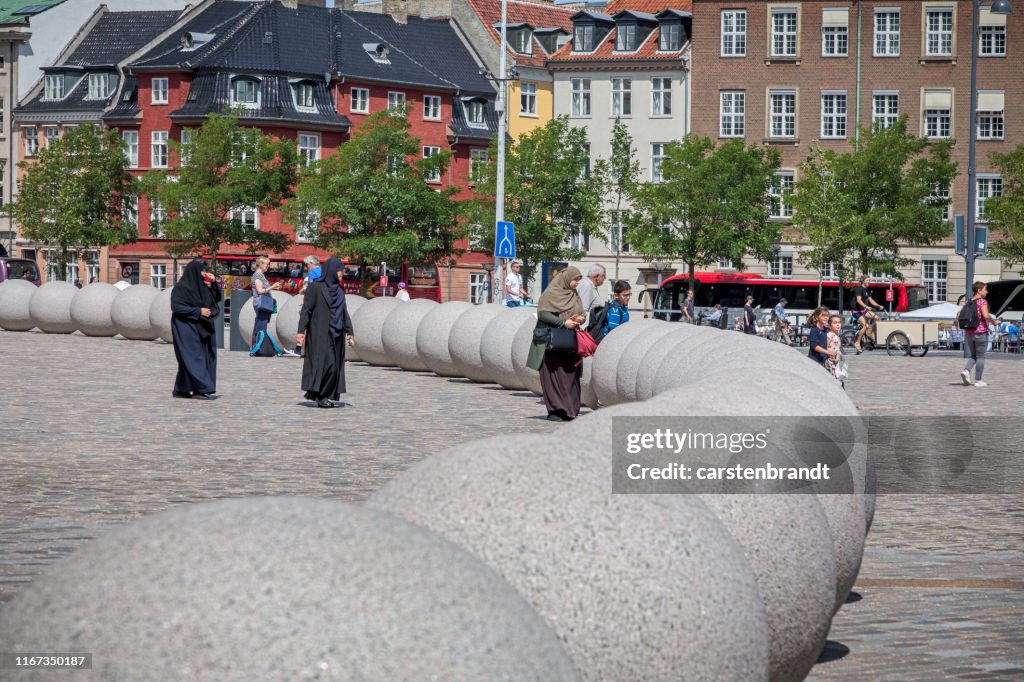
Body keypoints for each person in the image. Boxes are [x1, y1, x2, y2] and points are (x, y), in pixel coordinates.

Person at [527, 266, 586, 421]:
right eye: (575, 280)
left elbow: (581, 311)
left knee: (570, 376)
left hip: (570, 342)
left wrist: (580, 318)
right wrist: (562, 323)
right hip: (552, 342)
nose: (576, 283)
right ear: (566, 279)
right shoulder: (551, 293)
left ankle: (570, 410)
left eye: (578, 280)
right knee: (553, 376)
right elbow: (543, 313)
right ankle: (555, 410)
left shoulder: (574, 294)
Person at [296, 258, 355, 408]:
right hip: (320, 333)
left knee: (335, 367)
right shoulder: (315, 288)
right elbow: (306, 311)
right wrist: (300, 332)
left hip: (337, 332)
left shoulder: (340, 290)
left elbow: (343, 311)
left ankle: (323, 394)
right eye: (340, 270)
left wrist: (350, 331)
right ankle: (320, 395)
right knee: (327, 365)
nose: (342, 273)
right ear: (331, 270)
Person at [170, 259, 221, 399]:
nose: (204, 274)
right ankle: (201, 388)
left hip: (202, 326)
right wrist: (198, 312)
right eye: (202, 271)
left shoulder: (203, 287)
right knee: (193, 357)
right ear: (194, 272)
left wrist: (214, 284)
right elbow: (176, 307)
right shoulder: (181, 288)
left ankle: (182, 389)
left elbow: (216, 299)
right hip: (185, 326)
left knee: (202, 356)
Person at [960, 281, 999, 387]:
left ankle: (966, 371)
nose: (986, 292)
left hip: (968, 332)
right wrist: (994, 322)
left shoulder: (968, 301)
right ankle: (978, 381)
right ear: (979, 290)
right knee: (981, 356)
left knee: (973, 355)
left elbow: (958, 314)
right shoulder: (982, 301)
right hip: (980, 332)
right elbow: (986, 316)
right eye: (985, 289)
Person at [251, 256, 282, 351]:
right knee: (261, 325)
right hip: (261, 304)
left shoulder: (261, 275)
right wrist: (272, 287)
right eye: (267, 264)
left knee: (260, 324)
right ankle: (258, 347)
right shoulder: (257, 275)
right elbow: (260, 291)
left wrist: (276, 287)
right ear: (260, 264)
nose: (268, 266)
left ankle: (257, 346)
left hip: (264, 303)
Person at [853, 276, 884, 353]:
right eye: (867, 280)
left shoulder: (866, 290)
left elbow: (871, 300)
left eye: (869, 280)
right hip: (856, 310)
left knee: (876, 318)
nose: (869, 282)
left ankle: (870, 333)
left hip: (863, 310)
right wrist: (866, 306)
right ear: (863, 281)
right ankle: (857, 342)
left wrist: (878, 305)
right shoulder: (859, 289)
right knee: (865, 325)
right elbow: (858, 300)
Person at [824, 314, 846, 387]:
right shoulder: (829, 335)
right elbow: (825, 346)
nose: (838, 324)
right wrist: (829, 357)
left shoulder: (836, 336)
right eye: (835, 323)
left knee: (837, 379)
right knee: (832, 381)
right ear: (829, 326)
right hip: (830, 361)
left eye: (839, 323)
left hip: (835, 361)